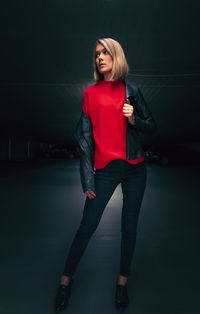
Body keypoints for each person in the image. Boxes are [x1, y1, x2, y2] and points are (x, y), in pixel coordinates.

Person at [54, 37, 157, 313]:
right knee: (87, 226)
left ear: (116, 57)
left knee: (129, 227)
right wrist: (88, 178)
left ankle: (122, 283)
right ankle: (65, 281)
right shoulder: (90, 94)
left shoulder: (131, 91)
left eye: (105, 53)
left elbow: (152, 126)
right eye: (97, 54)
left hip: (135, 167)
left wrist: (134, 118)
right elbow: (85, 140)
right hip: (106, 170)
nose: (99, 57)